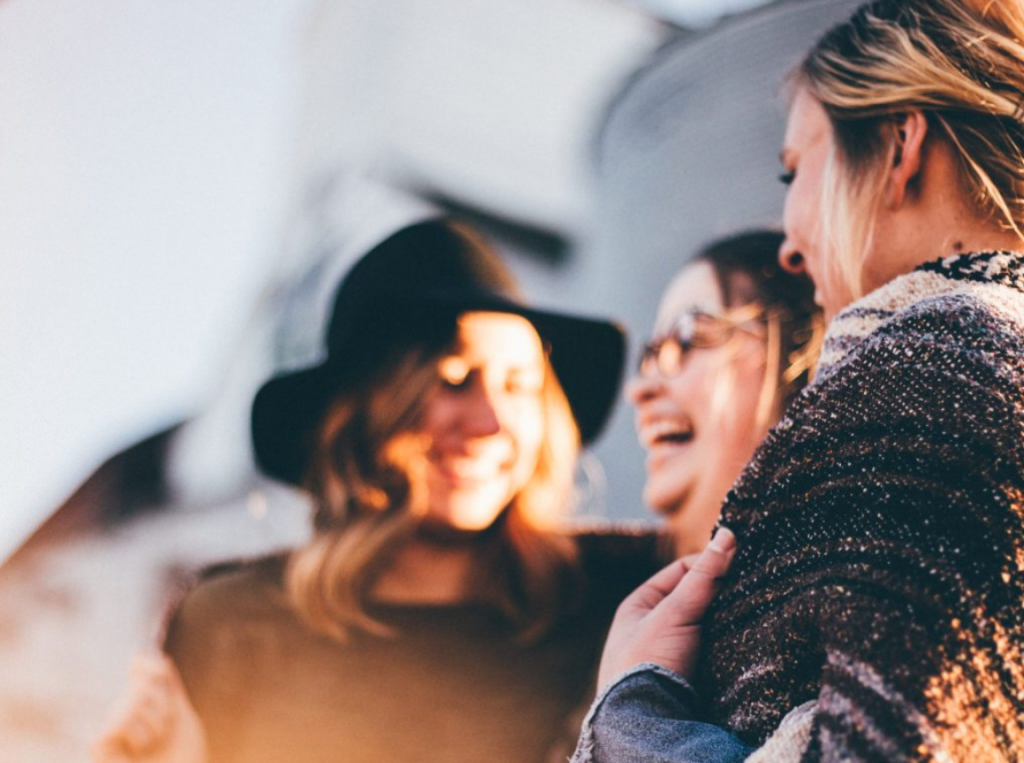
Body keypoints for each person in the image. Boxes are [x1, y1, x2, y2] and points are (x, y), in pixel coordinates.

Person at [574, 1, 1024, 761]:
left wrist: (632, 703)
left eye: (796, 168)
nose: (788, 243)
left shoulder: (934, 373)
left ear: (897, 144)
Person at [93, 218, 667, 763]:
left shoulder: (619, 605)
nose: (490, 421)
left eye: (519, 385)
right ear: (365, 414)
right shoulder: (226, 626)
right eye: (454, 380)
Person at [627, 230, 821, 556]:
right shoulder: (575, 592)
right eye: (651, 354)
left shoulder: (834, 593)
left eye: (686, 336)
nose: (639, 389)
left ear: (798, 356)